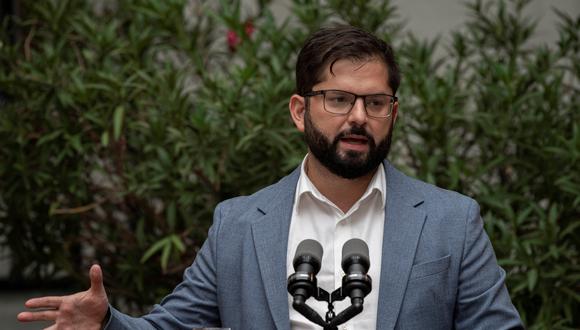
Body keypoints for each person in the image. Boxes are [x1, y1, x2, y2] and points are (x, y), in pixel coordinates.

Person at [17, 25, 523, 330]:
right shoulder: (239, 223)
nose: (358, 118)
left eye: (375, 102)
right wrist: (107, 323)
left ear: (394, 112)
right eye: (339, 99)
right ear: (300, 111)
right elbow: (174, 325)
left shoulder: (451, 220)